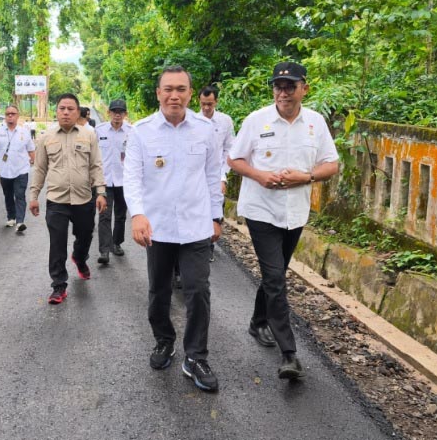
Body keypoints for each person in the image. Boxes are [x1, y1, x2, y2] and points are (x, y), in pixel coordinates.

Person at [227, 61, 339, 380]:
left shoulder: (315, 123)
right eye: (278, 86)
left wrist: (306, 176)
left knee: (275, 273)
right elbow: (234, 158)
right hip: (262, 210)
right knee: (276, 277)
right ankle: (289, 353)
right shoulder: (256, 120)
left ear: (304, 88)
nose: (283, 92)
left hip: (295, 213)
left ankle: (257, 321)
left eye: (290, 86)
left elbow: (332, 165)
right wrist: (259, 175)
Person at [123, 66, 223, 392]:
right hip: (158, 228)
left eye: (181, 88)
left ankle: (195, 356)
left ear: (191, 94)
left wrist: (216, 218)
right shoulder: (141, 131)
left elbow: (212, 177)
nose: (174, 95)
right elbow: (132, 178)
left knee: (199, 292)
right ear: (158, 93)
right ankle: (164, 340)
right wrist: (137, 215)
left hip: (196, 227)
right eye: (168, 89)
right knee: (159, 292)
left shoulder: (206, 131)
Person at [29, 94, 107, 304]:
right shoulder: (46, 137)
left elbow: (96, 165)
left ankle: (80, 258)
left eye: (70, 109)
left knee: (85, 236)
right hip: (57, 200)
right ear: (57, 111)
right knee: (57, 243)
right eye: (62, 108)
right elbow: (40, 168)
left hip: (84, 199)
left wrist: (101, 192)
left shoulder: (88, 135)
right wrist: (34, 195)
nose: (65, 112)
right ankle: (58, 286)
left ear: (77, 112)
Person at [198, 85, 235, 262]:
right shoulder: (193, 121)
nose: (206, 108)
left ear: (216, 102)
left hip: (217, 173)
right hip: (197, 174)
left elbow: (229, 149)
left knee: (215, 209)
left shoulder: (225, 121)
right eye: (204, 104)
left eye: (210, 104)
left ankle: (209, 245)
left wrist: (222, 176)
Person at [0, 105, 36, 232]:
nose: (10, 116)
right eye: (8, 114)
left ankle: (20, 222)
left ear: (18, 116)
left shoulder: (24, 131)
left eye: (13, 113)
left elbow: (31, 149)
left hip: (21, 170)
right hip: (5, 170)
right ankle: (11, 217)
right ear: (5, 117)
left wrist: (34, 160)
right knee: (8, 195)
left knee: (19, 195)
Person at [94, 99, 132, 264]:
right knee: (104, 216)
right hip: (104, 181)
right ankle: (104, 251)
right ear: (108, 113)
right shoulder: (99, 131)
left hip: (124, 181)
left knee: (121, 216)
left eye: (121, 112)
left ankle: (116, 243)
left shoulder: (132, 132)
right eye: (114, 111)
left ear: (125, 114)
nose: (117, 115)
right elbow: (93, 156)